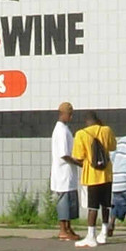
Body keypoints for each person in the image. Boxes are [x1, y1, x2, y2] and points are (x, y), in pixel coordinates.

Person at [72, 111, 117, 247]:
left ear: (86, 121)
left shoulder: (81, 134)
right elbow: (113, 146)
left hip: (92, 176)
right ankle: (103, 233)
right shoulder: (106, 130)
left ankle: (91, 236)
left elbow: (78, 156)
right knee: (105, 205)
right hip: (107, 174)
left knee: (92, 207)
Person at [50, 101, 79, 242]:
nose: (71, 117)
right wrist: (78, 163)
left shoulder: (64, 129)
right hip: (63, 173)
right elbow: (64, 154)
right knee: (64, 202)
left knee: (70, 202)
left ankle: (68, 228)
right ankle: (63, 229)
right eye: (69, 114)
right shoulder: (60, 131)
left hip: (68, 173)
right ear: (62, 114)